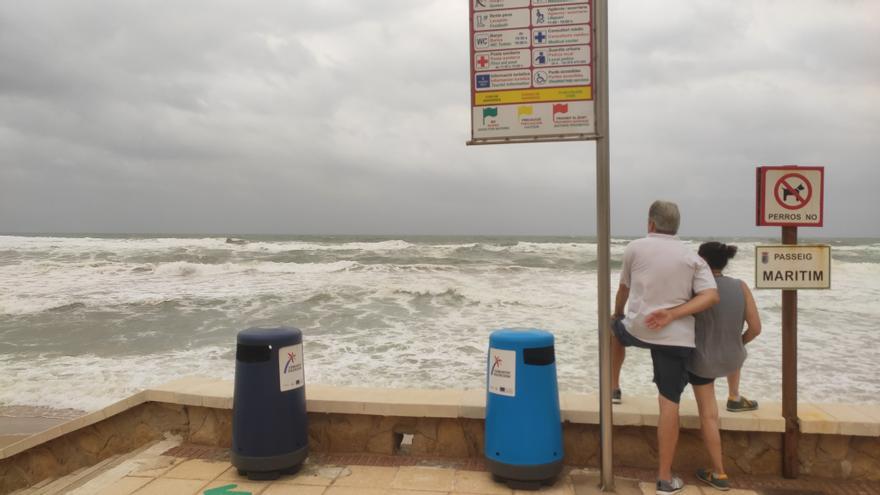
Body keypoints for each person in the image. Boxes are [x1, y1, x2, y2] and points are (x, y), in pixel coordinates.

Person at [610, 200, 719, 495]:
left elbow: (623, 289)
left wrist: (617, 314)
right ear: (676, 227)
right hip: (676, 337)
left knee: (614, 332)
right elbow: (711, 295)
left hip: (639, 329)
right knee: (668, 402)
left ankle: (614, 386)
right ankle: (664, 479)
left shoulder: (635, 247)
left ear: (651, 224)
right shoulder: (692, 257)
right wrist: (673, 314)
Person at [687, 242, 762, 491]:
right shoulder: (740, 286)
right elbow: (755, 328)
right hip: (732, 358)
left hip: (702, 362)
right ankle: (734, 395)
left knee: (709, 415)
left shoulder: (696, 289)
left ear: (703, 261)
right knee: (733, 346)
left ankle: (719, 473)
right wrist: (737, 342)